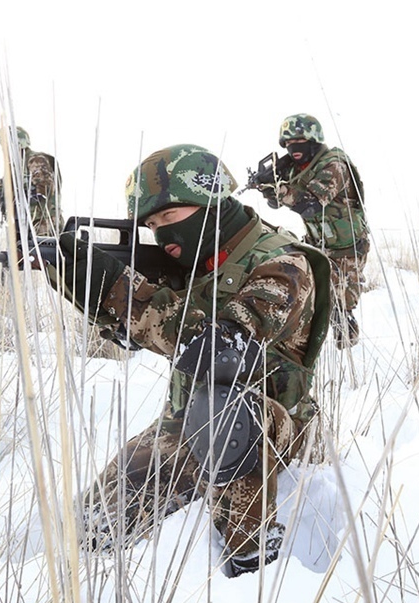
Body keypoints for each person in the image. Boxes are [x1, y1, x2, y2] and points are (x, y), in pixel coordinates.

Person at [53, 144, 330, 577]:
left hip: (272, 424)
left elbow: (220, 352)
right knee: (93, 524)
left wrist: (119, 289)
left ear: (209, 202)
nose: (162, 235)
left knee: (228, 409)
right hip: (188, 421)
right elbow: (143, 334)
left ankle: (249, 557)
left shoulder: (284, 262)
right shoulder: (202, 261)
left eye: (170, 217)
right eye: (150, 224)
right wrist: (82, 284)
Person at [257, 114, 368, 349]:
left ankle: (348, 351)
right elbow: (276, 204)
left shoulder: (333, 164)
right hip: (317, 243)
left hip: (346, 247)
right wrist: (267, 187)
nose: (293, 147)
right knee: (311, 296)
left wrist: (280, 189)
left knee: (341, 304)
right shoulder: (296, 167)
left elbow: (311, 204)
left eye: (299, 141)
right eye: (288, 143)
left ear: (314, 140)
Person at [0, 126, 63, 236]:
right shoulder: (15, 167)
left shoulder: (36, 160)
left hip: (42, 225)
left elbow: (44, 192)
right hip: (22, 226)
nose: (3, 149)